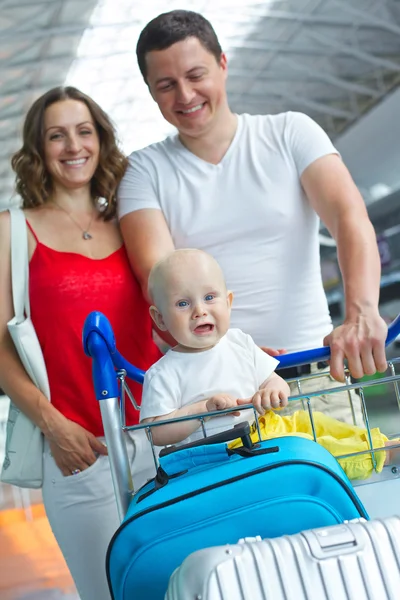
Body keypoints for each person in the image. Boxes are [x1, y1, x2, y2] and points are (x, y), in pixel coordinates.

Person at [118, 9, 388, 426]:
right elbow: (157, 276)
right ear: (151, 91)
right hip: (225, 398)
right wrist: (235, 351)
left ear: (223, 64)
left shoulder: (290, 132)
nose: (185, 95)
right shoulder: (144, 171)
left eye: (196, 74)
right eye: (166, 85)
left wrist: (362, 312)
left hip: (318, 374)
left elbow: (349, 218)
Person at [0, 86, 161, 600]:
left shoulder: (132, 222)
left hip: (162, 436)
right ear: (38, 150)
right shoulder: (13, 231)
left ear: (102, 140)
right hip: (77, 450)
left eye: (84, 131)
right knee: (107, 591)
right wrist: (54, 425)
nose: (74, 146)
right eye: (57, 135)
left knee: (179, 582)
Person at [140, 249, 399, 481]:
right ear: (160, 318)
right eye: (183, 304)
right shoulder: (163, 372)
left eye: (209, 297)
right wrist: (201, 410)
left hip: (265, 429)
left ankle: (376, 442)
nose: (199, 311)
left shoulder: (239, 342)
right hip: (225, 455)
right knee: (312, 449)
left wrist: (273, 390)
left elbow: (271, 379)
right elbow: (156, 432)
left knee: (318, 424)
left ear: (228, 303)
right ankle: (380, 455)